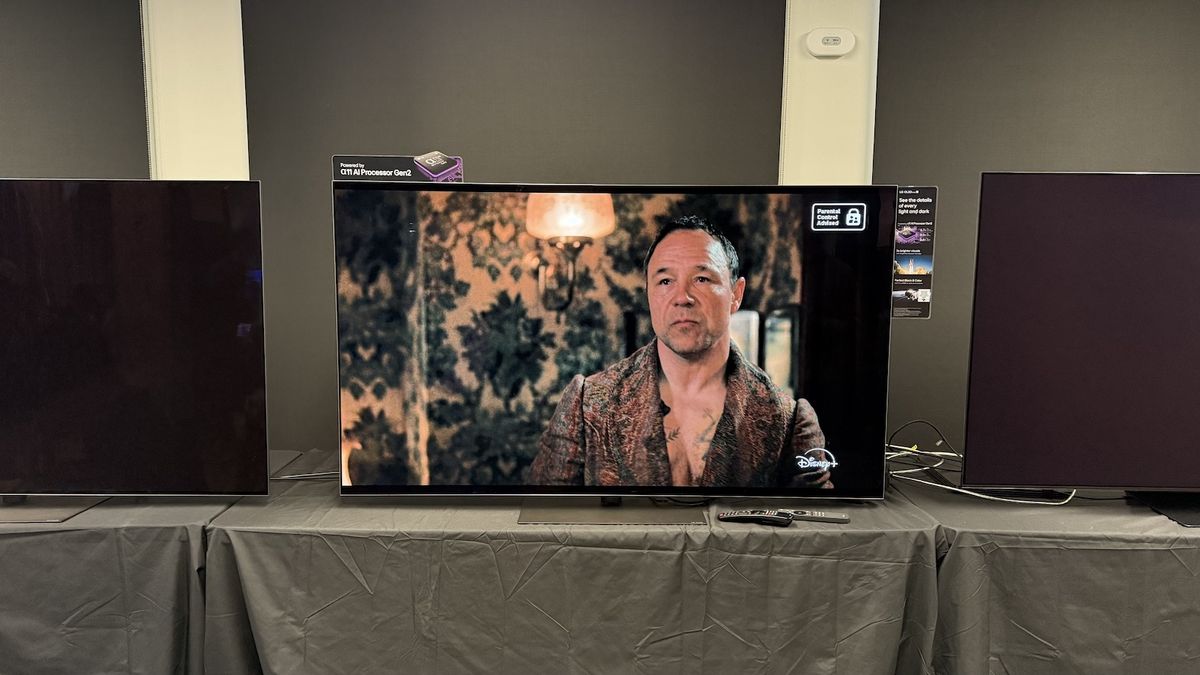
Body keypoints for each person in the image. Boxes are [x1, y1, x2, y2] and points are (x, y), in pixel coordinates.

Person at [529, 215, 832, 488]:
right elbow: (542, 524)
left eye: (702, 278)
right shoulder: (587, 403)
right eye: (664, 281)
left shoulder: (788, 419)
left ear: (735, 295)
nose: (682, 297)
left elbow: (813, 539)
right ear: (648, 294)